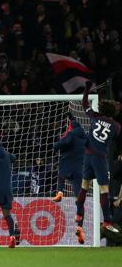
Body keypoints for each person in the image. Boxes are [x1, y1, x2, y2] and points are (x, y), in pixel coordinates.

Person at [75, 81, 122, 238]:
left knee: (84, 186)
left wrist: (87, 89)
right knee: (104, 189)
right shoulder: (116, 127)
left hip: (87, 156)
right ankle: (107, 221)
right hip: (100, 159)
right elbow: (114, 134)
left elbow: (84, 103)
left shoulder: (94, 116)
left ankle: (78, 215)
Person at [52, 113, 87, 243]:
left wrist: (56, 145)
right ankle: (79, 227)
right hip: (80, 169)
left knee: (61, 174)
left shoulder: (71, 134)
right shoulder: (84, 137)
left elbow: (64, 142)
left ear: (70, 128)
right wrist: (71, 117)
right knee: (79, 200)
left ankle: (60, 192)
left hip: (68, 164)